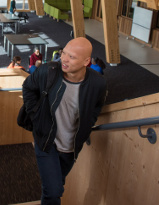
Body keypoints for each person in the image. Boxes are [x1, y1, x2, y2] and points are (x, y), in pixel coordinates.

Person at [22, 37, 107, 205]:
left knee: (55, 186)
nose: (64, 59)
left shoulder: (97, 83)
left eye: (72, 57)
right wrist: (35, 115)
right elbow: (28, 87)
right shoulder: (48, 71)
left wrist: (88, 125)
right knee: (54, 192)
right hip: (46, 140)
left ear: (86, 61)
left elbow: (97, 107)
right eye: (64, 53)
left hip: (71, 147)